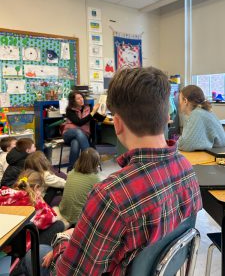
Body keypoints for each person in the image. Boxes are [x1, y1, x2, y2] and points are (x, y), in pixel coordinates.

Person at [26, 67, 202, 275]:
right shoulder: (186, 168)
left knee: (35, 255)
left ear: (116, 124)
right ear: (166, 116)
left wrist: (64, 241)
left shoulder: (110, 195)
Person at [0, 169, 64, 245]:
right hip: (20, 245)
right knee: (59, 225)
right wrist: (41, 200)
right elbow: (52, 219)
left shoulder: (4, 194)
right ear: (36, 187)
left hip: (5, 239)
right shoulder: (33, 201)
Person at [54, 147, 101, 228]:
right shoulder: (95, 178)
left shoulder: (71, 172)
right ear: (95, 164)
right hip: (79, 219)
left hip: (63, 211)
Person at [61, 90, 100, 172]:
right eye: (78, 98)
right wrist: (92, 113)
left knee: (76, 143)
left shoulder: (88, 108)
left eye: (81, 97)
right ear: (73, 101)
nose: (81, 99)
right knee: (78, 131)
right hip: (68, 134)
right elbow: (79, 123)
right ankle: (89, 162)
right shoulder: (70, 110)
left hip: (82, 136)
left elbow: (100, 119)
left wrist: (102, 111)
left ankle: (71, 169)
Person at [178, 84, 225, 151]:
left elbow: (185, 145)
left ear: (185, 101)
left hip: (215, 156)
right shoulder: (203, 111)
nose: (179, 103)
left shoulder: (197, 114)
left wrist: (176, 143)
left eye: (179, 100)